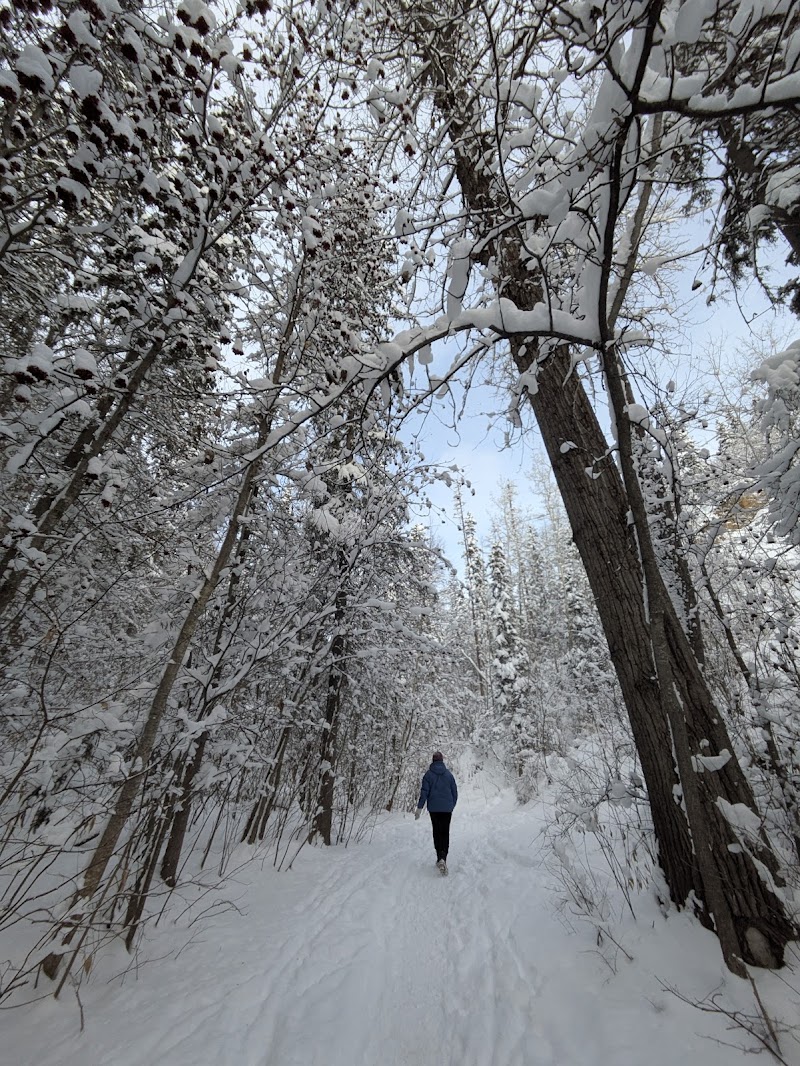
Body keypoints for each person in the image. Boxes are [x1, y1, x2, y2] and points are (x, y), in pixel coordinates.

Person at [415, 751, 458, 874]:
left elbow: (424, 793)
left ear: (433, 761)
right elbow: (455, 793)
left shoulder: (428, 775)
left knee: (437, 831)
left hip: (434, 809)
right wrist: (451, 805)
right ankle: (443, 857)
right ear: (442, 761)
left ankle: (439, 856)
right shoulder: (449, 775)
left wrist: (419, 808)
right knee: (445, 832)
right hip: (447, 809)